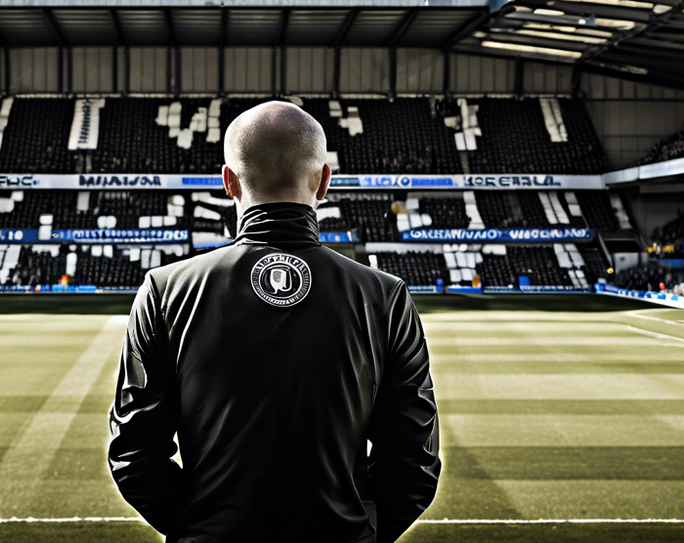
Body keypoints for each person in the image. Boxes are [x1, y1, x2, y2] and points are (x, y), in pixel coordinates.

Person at [109, 101, 441, 543]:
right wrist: (358, 533)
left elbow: (134, 453)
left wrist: (201, 531)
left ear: (227, 182)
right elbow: (413, 460)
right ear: (324, 181)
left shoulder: (164, 289)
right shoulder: (384, 296)